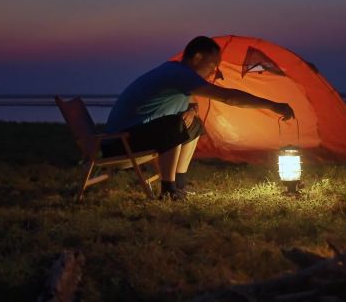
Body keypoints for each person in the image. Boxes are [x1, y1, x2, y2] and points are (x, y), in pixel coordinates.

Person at [103, 36, 294, 200]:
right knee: (173, 124)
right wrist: (273, 105)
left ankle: (179, 183)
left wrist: (192, 110)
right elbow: (229, 98)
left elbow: (191, 101)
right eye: (212, 64)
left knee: (193, 123)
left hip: (132, 137)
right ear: (197, 58)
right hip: (118, 145)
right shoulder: (180, 74)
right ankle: (169, 190)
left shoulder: (176, 72)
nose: (214, 71)